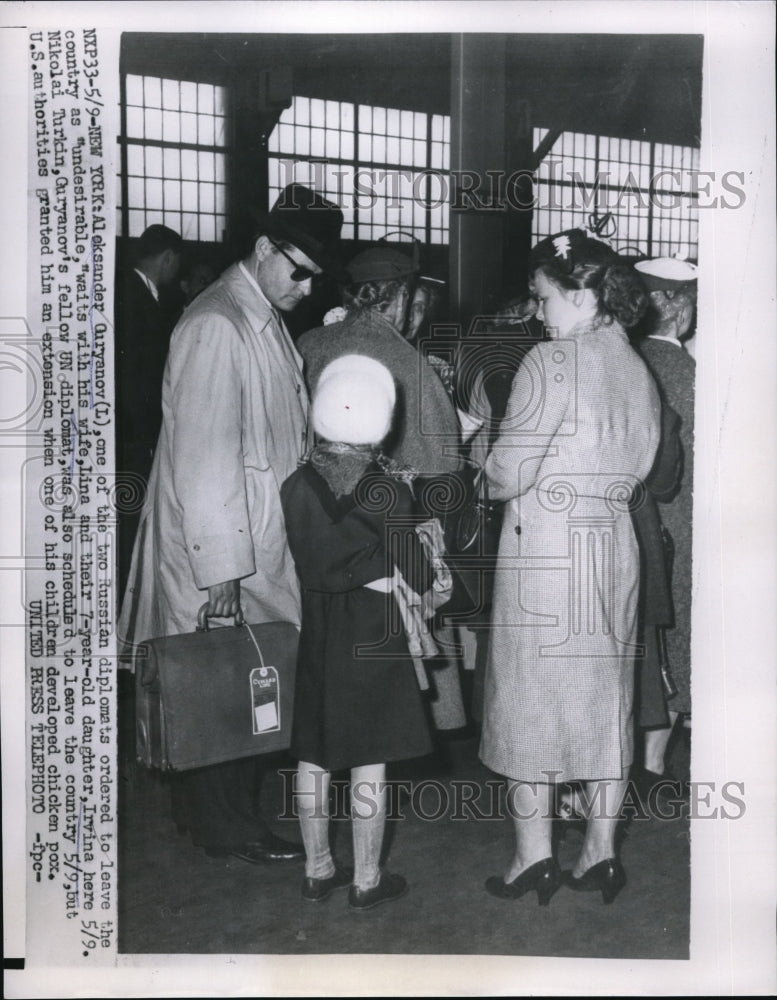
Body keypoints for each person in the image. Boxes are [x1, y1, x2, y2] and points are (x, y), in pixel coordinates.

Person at [118, 184, 344, 865]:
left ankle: (215, 813)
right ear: (263, 248)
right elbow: (205, 454)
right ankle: (224, 824)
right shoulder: (219, 323)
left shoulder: (260, 314)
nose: (305, 287)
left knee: (246, 677)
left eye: (314, 276)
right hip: (220, 544)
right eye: (297, 269)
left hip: (255, 535)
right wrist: (219, 569)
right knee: (218, 680)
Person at [479, 229, 661, 905]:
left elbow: (507, 472)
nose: (536, 312)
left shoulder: (549, 363)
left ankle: (532, 858)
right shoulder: (635, 369)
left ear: (582, 296)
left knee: (532, 702)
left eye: (544, 297)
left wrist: (479, 454)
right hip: (613, 549)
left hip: (547, 553)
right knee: (602, 704)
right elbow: (641, 468)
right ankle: (599, 852)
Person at [281, 355, 434, 910]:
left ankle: (317, 867)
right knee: (372, 756)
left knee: (314, 754)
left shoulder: (295, 484)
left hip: (319, 630)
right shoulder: (388, 490)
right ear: (381, 420)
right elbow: (415, 572)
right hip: (373, 633)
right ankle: (367, 879)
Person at [298, 247, 468, 733]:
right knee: (395, 688)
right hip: (391, 550)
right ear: (403, 297)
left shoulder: (308, 344)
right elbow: (444, 469)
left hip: (314, 537)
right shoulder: (407, 361)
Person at [632, 256, 697, 796]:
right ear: (674, 303)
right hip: (683, 525)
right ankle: (652, 768)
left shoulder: (629, 361)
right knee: (679, 646)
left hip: (637, 526)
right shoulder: (684, 372)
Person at [115, 224, 183, 594]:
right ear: (169, 258)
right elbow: (137, 378)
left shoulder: (135, 292)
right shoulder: (135, 297)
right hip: (135, 436)